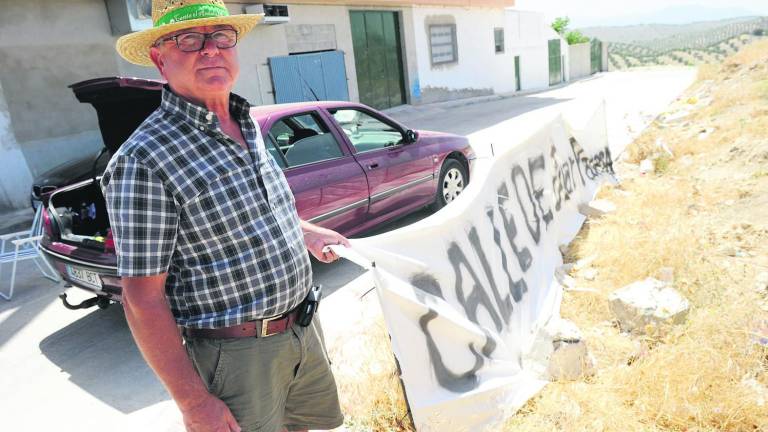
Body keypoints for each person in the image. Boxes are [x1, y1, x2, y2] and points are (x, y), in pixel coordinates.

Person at [103, 1, 348, 431]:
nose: (210, 49)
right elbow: (142, 299)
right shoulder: (144, 159)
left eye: (221, 36)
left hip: (301, 331)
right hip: (235, 360)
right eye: (189, 39)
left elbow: (261, 212)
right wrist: (193, 402)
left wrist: (306, 233)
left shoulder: (246, 122)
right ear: (161, 59)